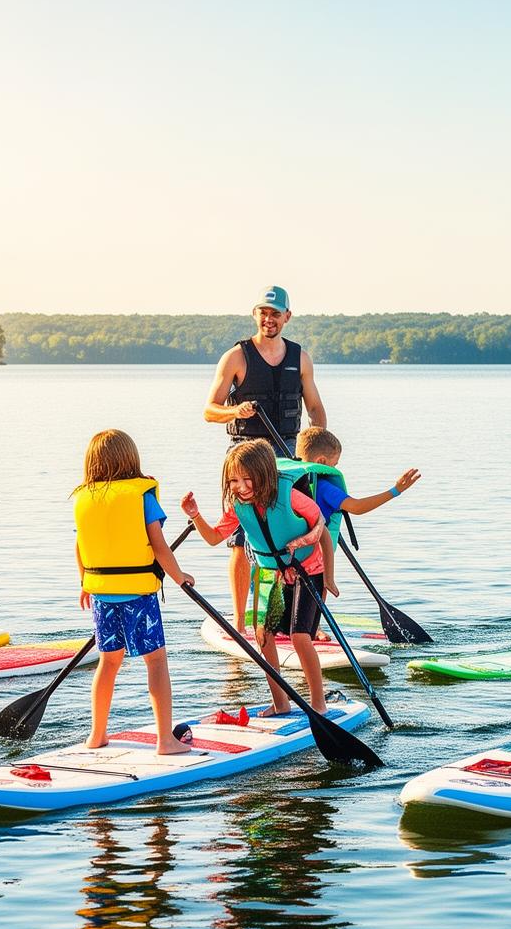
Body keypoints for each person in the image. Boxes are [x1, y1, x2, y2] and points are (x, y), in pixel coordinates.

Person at [202, 286, 329, 628]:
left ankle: (294, 617)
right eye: (263, 312)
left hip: (287, 457)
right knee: (242, 539)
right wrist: (233, 412)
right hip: (244, 457)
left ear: (287, 316)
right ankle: (240, 620)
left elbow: (316, 410)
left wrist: (316, 455)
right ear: (255, 314)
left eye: (276, 314)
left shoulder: (300, 358)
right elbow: (209, 410)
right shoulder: (236, 357)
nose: (269, 319)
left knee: (295, 533)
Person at [181, 440, 337, 716]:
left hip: (308, 570)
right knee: (263, 635)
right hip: (272, 573)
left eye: (247, 479)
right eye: (233, 480)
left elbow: (322, 531)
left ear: (265, 476)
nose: (240, 487)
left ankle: (319, 703)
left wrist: (330, 579)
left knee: (300, 636)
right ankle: (281, 702)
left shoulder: (290, 497)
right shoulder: (238, 507)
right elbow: (215, 537)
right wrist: (195, 516)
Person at [72, 430, 193, 753]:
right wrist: (180, 577)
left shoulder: (85, 497)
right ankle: (165, 740)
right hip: (138, 594)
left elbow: (81, 546)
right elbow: (159, 546)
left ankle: (96, 735)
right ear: (132, 460)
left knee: (108, 662)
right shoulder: (142, 496)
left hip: (101, 593)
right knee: (155, 662)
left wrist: (85, 581)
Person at [276, 426, 419, 614]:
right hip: (313, 553)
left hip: (283, 552)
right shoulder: (326, 487)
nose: (334, 468)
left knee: (289, 593)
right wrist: (395, 491)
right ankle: (313, 627)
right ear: (321, 461)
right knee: (314, 595)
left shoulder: (285, 482)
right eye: (334, 464)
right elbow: (357, 507)